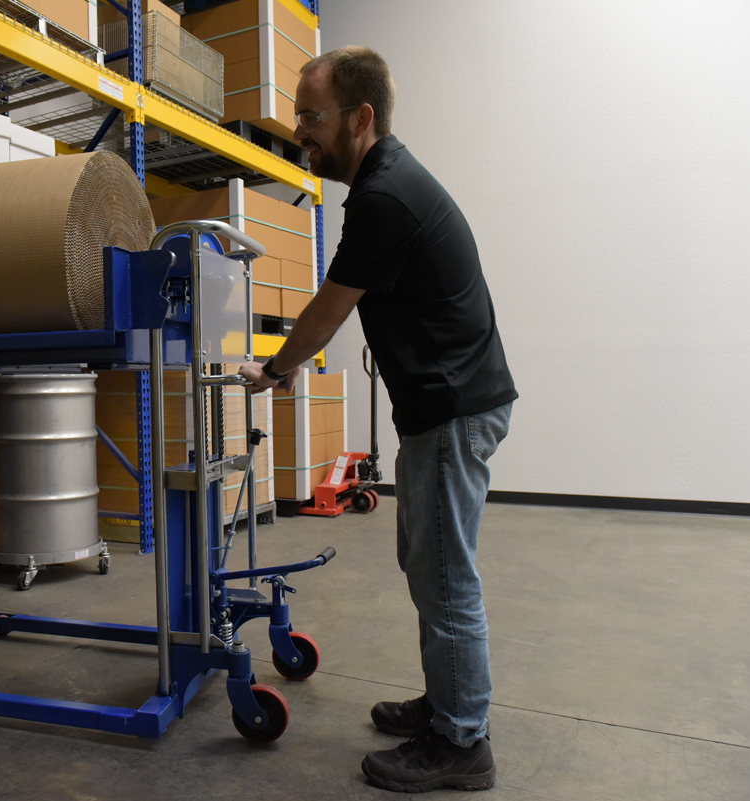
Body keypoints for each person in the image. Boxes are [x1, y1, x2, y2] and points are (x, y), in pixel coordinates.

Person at [237, 46, 517, 793]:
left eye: (311, 116)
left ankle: (462, 742)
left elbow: (328, 311)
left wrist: (275, 369)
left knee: (445, 576)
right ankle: (448, 703)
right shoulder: (386, 182)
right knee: (428, 567)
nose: (300, 131)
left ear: (360, 117)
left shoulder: (384, 197)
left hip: (452, 410)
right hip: (444, 407)